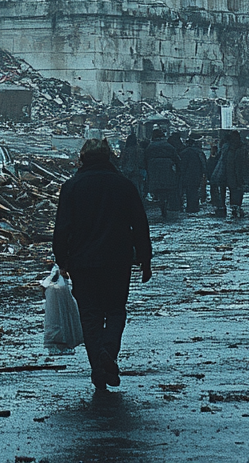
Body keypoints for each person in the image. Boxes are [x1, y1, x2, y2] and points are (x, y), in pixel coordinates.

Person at [53, 138, 153, 391]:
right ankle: (108, 351)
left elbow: (62, 227)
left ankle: (98, 367)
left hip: (82, 262)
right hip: (117, 260)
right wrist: (145, 258)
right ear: (109, 157)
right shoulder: (123, 185)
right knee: (116, 310)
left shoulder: (72, 186)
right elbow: (140, 224)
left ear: (83, 158)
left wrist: (61, 259)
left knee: (90, 315)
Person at [145, 129, 181, 218]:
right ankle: (168, 204)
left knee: (158, 189)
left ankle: (161, 204)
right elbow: (176, 158)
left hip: (154, 169)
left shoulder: (150, 147)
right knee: (168, 189)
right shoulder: (168, 146)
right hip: (168, 169)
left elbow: (145, 159)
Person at [222, 130, 248, 219]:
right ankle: (237, 206)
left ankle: (234, 207)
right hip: (238, 173)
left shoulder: (227, 148)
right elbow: (244, 162)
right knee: (239, 190)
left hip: (229, 174)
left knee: (233, 190)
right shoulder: (242, 147)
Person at [179, 137, 206, 214]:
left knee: (186, 191)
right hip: (197, 174)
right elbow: (203, 164)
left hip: (186, 175)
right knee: (194, 191)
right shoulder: (199, 152)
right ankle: (194, 207)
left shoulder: (183, 152)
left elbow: (181, 165)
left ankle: (186, 206)